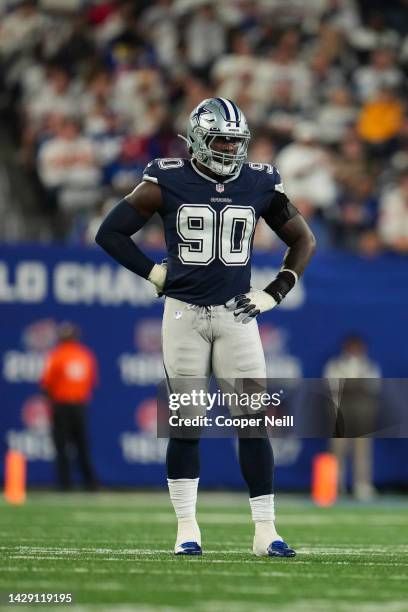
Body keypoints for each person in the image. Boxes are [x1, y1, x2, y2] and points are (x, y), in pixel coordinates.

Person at [96, 97, 316, 557]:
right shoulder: (167, 179)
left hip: (237, 316)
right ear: (198, 139)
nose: (231, 151)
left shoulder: (260, 182)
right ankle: (186, 529)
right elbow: (110, 232)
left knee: (254, 424)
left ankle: (265, 532)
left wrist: (274, 291)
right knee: (187, 424)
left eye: (237, 142)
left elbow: (303, 239)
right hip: (184, 314)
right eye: (221, 141)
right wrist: (154, 273)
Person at [41, 322, 99, 491]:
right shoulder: (85, 355)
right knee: (82, 446)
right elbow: (91, 383)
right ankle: (91, 484)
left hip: (61, 406)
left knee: (61, 447)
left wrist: (52, 404)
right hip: (79, 406)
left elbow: (46, 385)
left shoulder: (56, 355)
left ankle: (65, 484)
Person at [323, 335, 381, 501]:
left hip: (362, 415)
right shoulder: (335, 365)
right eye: (352, 346)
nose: (355, 350)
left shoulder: (368, 366)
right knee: (337, 451)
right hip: (340, 414)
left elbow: (373, 387)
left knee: (363, 452)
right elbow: (331, 386)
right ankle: (335, 486)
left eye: (358, 347)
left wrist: (352, 385)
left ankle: (362, 486)